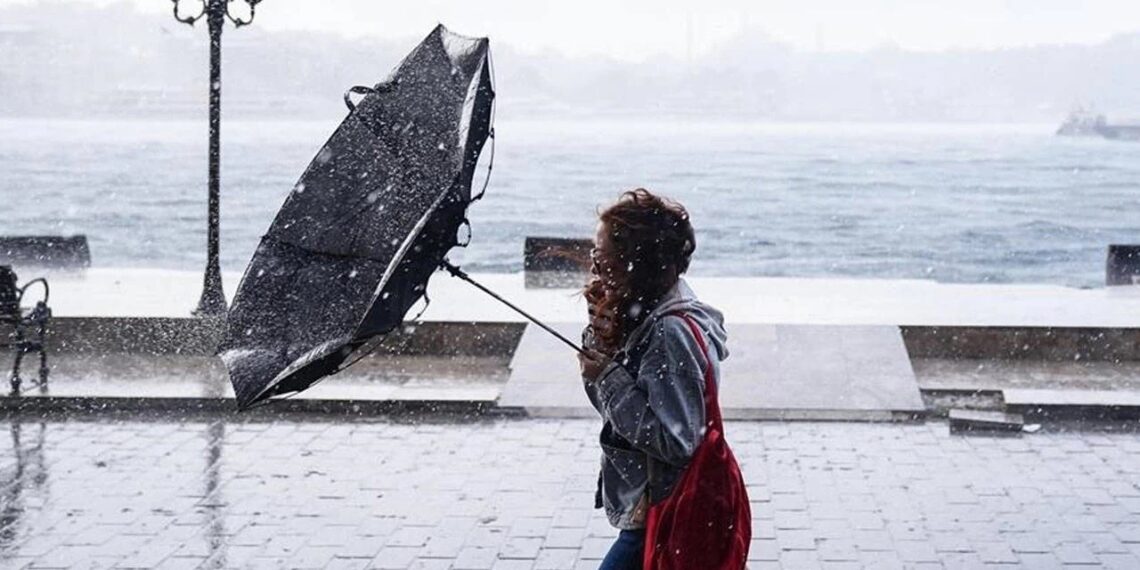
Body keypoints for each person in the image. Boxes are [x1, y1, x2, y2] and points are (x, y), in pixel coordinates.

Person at [579, 188, 731, 570]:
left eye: (603, 257)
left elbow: (675, 440)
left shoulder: (668, 333)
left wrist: (608, 375)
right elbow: (613, 412)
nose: (595, 267)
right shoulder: (649, 313)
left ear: (636, 263)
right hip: (654, 508)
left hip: (663, 510)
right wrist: (602, 340)